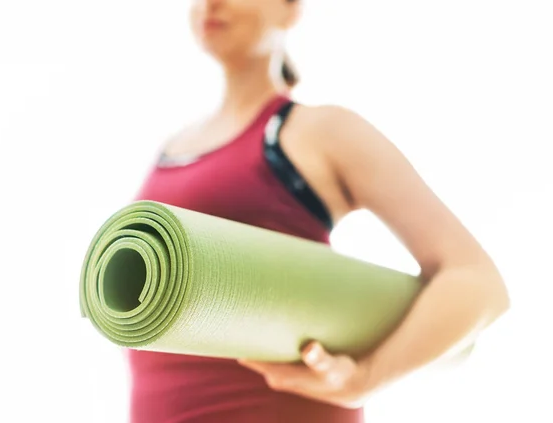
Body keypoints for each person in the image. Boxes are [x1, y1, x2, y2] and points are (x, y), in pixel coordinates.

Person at [128, 0, 510, 422]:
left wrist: (368, 377)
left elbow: (477, 281)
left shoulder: (316, 131)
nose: (210, 4)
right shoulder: (171, 147)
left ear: (291, 9)